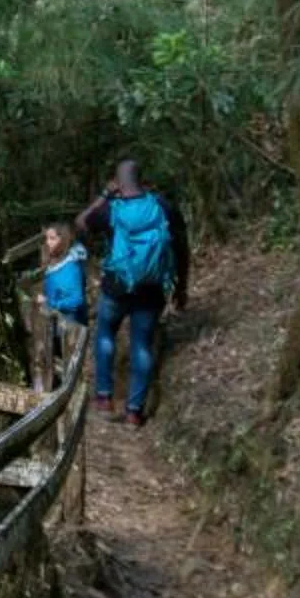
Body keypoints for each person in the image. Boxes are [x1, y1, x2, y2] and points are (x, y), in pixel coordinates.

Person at [76, 160, 188, 427]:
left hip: (116, 288)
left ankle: (104, 398)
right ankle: (134, 412)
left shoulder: (111, 209)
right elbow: (182, 249)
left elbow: (80, 223)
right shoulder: (163, 207)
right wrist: (181, 286)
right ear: (142, 179)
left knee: (104, 334)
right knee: (141, 345)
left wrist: (104, 194)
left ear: (117, 180)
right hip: (151, 290)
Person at [38, 221, 91, 365]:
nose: (48, 243)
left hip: (70, 328)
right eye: (47, 238)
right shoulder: (56, 263)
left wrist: (50, 303)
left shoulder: (70, 268)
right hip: (58, 324)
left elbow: (76, 300)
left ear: (63, 240)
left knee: (69, 366)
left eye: (53, 238)